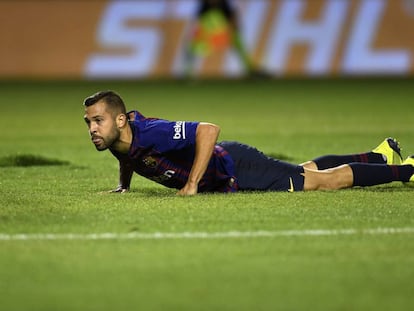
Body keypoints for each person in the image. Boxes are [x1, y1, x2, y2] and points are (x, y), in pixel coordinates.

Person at [83, 90, 414, 196]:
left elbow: (208, 130)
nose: (93, 129)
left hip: (238, 167)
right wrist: (123, 186)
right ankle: (379, 155)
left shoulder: (151, 132)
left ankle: (407, 171)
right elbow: (127, 156)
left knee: (326, 182)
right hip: (232, 168)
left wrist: (193, 184)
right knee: (305, 169)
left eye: (98, 121)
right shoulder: (118, 140)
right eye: (89, 123)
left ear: (121, 119)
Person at [184, 0, 265, 77]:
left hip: (222, 34)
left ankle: (250, 69)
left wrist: (234, 27)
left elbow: (233, 18)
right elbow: (197, 25)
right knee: (191, 47)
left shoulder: (224, 4)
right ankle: (188, 73)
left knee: (237, 39)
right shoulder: (203, 6)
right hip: (208, 37)